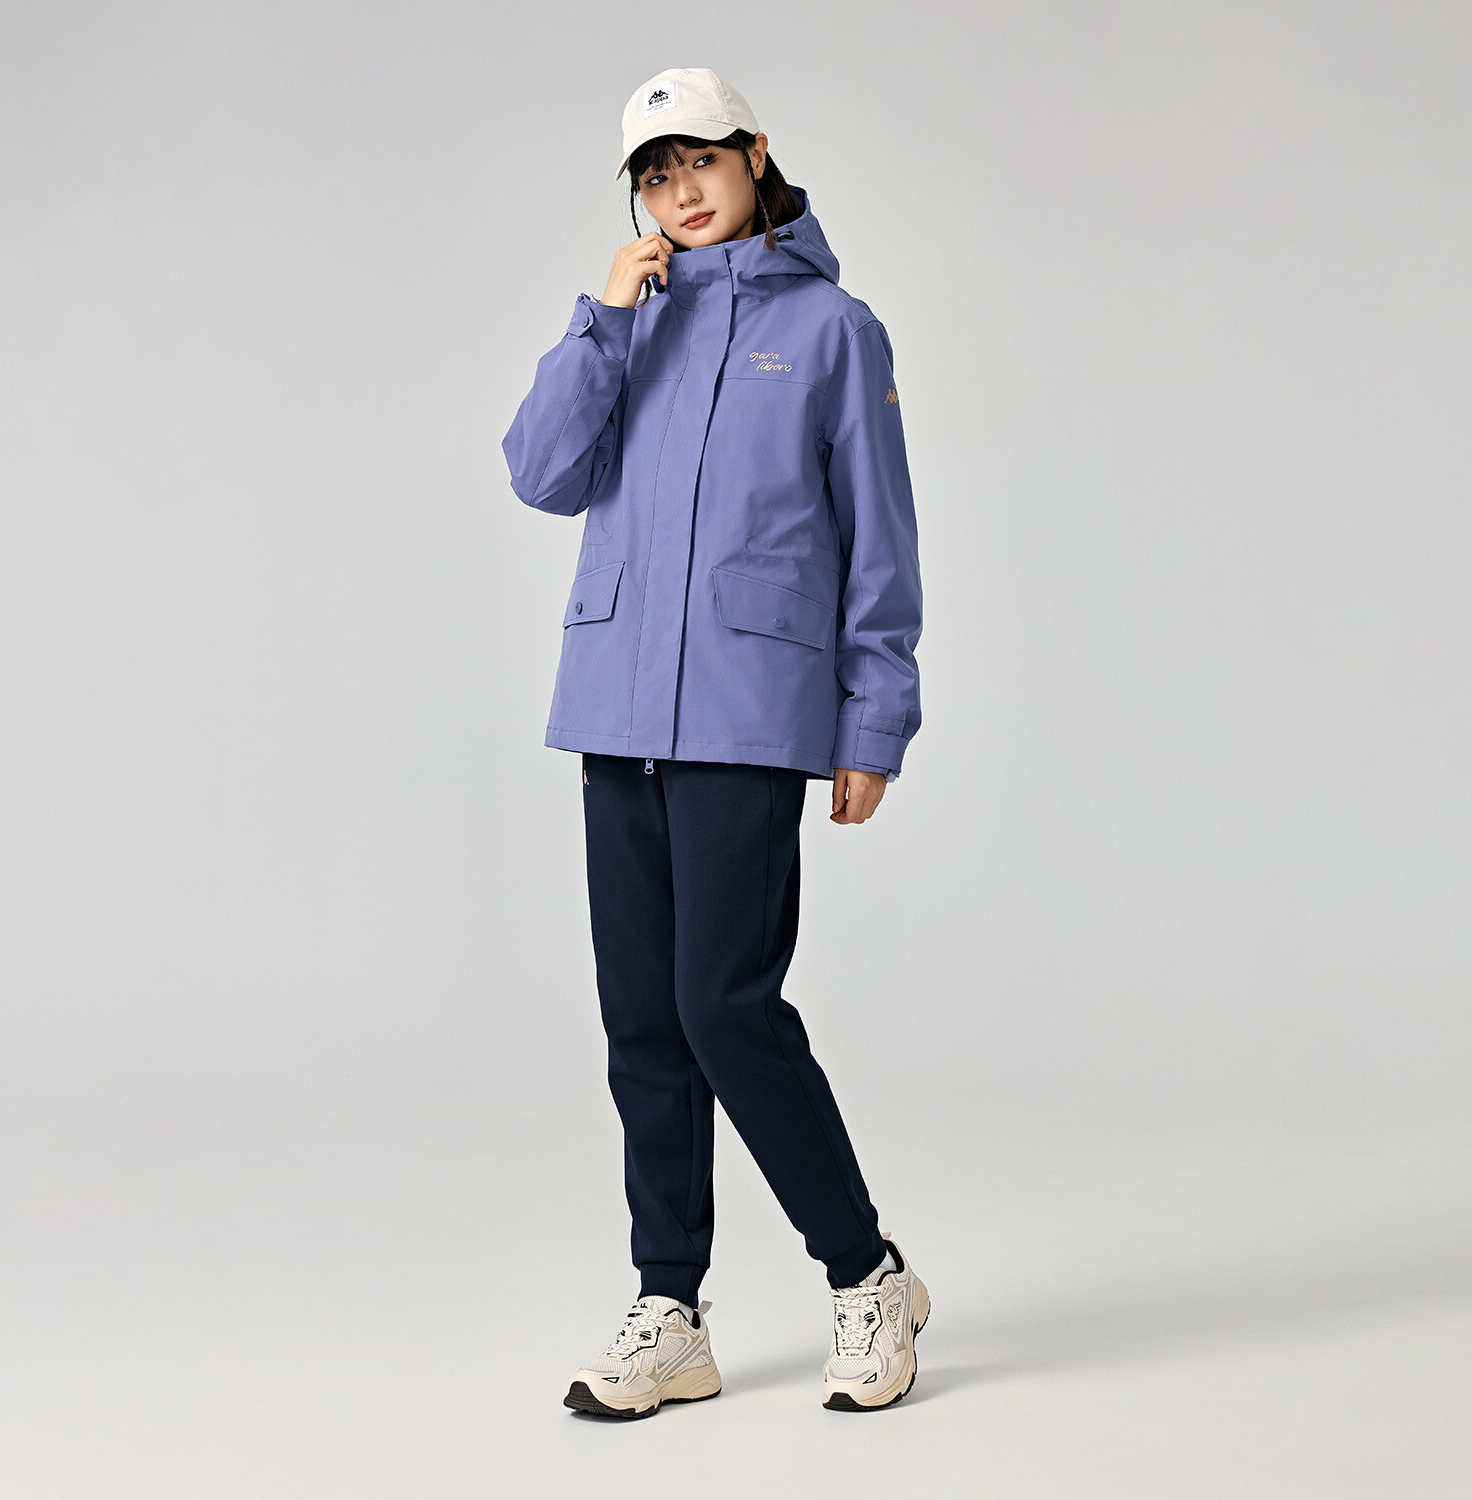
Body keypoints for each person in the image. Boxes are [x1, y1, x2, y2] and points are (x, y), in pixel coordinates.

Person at [501, 66, 928, 1417]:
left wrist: (875, 719)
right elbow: (540, 474)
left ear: (754, 154)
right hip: (615, 710)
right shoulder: (632, 323)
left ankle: (868, 1276)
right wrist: (602, 322)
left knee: (723, 1007)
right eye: (654, 175)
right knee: (642, 1019)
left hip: (748, 712)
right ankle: (670, 1310)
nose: (679, 192)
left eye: (699, 161)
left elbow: (878, 539)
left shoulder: (834, 330)